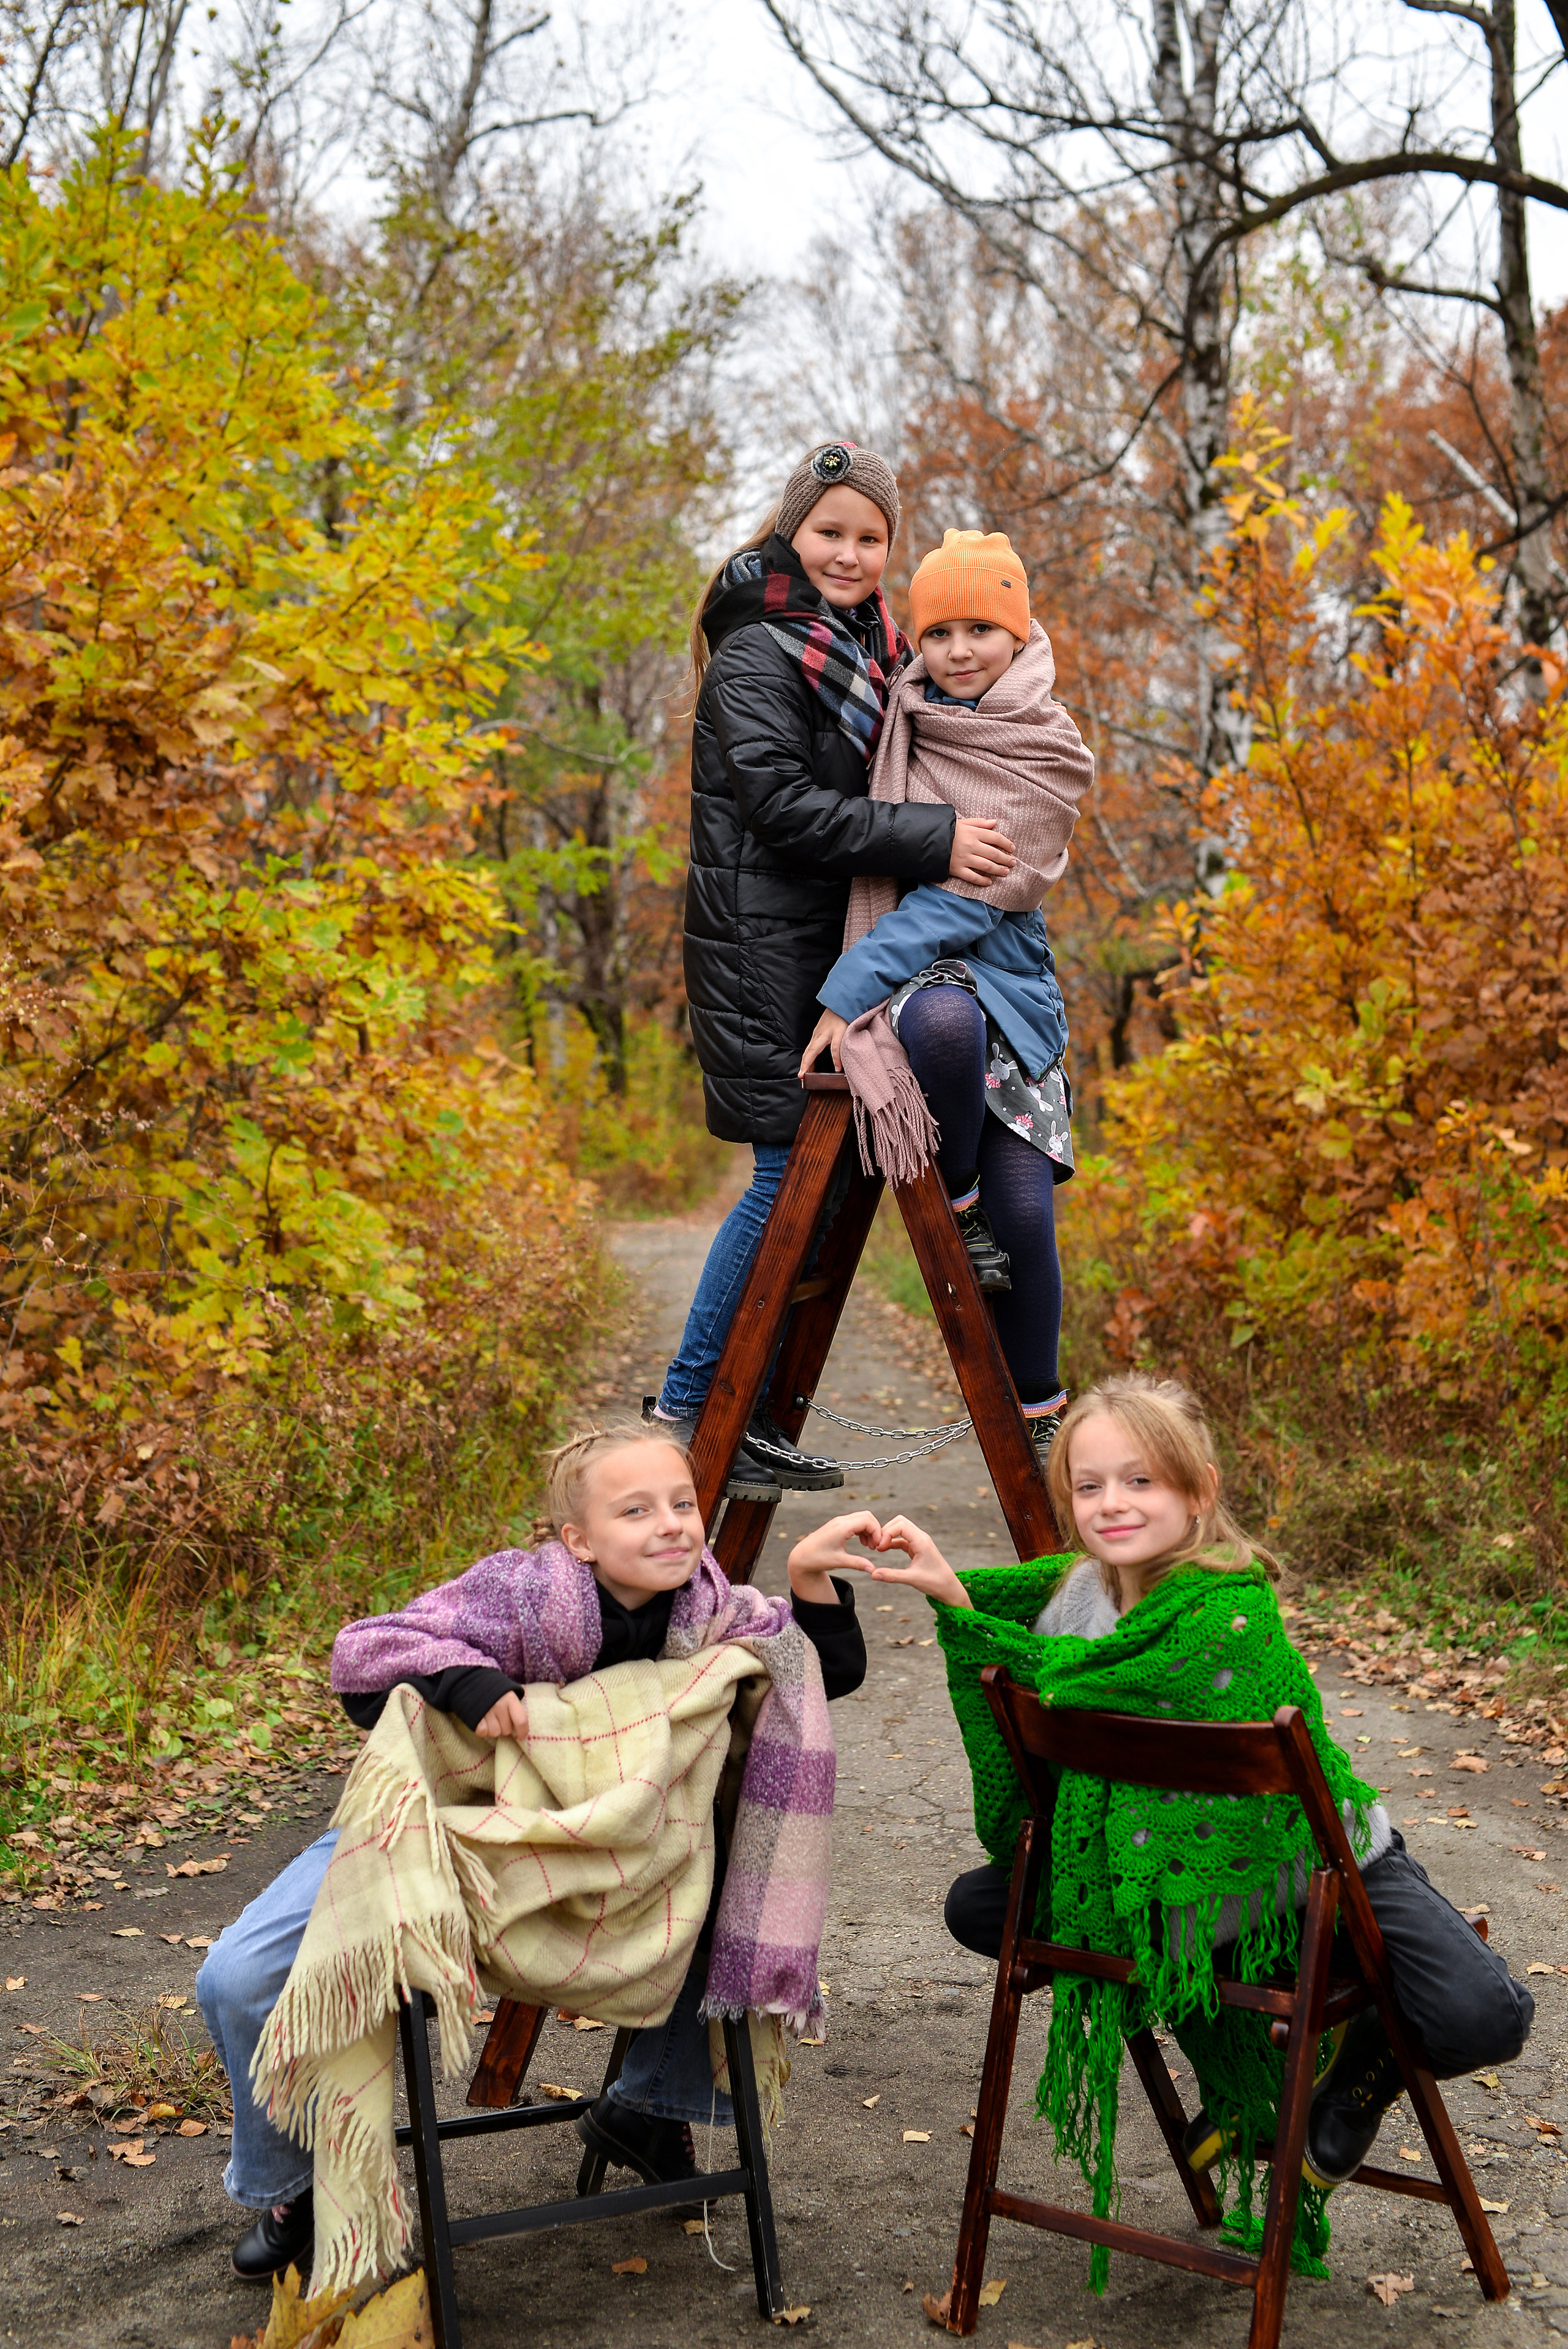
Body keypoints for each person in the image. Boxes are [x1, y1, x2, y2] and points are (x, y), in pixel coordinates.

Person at [196, 1424, 876, 2284]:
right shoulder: (517, 1593)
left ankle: (648, 2106)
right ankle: (295, 2184)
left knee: (736, 1885)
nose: (671, 1524)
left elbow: (816, 1679)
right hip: (450, 1833)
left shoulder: (713, 1613)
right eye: (636, 1511)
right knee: (239, 1974)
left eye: (682, 1503)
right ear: (578, 1540)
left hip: (615, 1857)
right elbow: (364, 1655)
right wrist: (464, 1680)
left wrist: (809, 1579)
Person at [834, 1372, 1535, 2196]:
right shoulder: (1072, 1605)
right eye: (1089, 1486)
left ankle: (1351, 2072)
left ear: (1199, 1490)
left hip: (1311, 1871)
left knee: (1485, 2017)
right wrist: (953, 1596)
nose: (1112, 1503)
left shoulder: (1232, 1615)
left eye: (1142, 1480)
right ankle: (1238, 2045)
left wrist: (997, 1643)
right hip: (1167, 1885)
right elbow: (1038, 1707)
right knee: (981, 1906)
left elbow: (1066, 1680)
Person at [650, 448, 1020, 1501]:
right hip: (761, 950)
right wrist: (938, 839)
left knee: (819, 1191)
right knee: (782, 1179)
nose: (849, 554)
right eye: (830, 533)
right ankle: (691, 1408)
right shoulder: (759, 651)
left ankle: (754, 1409)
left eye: (870, 538)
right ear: (792, 531)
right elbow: (782, 809)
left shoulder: (871, 646)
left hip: (827, 947)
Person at [797, 529, 1095, 1466]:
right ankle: (956, 1202)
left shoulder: (1047, 746)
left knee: (1029, 1219)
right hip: (924, 986)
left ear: (1019, 633)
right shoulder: (904, 715)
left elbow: (964, 896)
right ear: (916, 641)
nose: (959, 651)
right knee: (939, 1018)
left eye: (981, 629)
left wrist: (844, 994)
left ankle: (1039, 1415)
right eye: (938, 633)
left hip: (1010, 992)